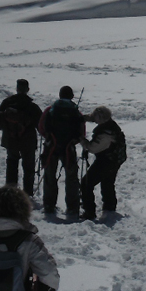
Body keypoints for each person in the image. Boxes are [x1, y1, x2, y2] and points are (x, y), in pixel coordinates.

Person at [0, 79, 43, 196]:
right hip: (28, 142)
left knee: (12, 164)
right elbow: (41, 126)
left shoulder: (7, 103)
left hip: (10, 139)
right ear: (28, 90)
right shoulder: (32, 106)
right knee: (28, 168)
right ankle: (27, 194)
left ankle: (11, 192)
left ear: (17, 88)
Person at [38, 86, 86, 217]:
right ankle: (72, 207)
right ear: (72, 96)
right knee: (71, 177)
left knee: (49, 175)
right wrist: (72, 142)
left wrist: (49, 138)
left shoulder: (51, 109)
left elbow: (41, 127)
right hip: (68, 148)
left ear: (59, 95)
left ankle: (49, 205)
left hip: (51, 147)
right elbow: (82, 132)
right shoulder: (75, 111)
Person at [79, 106, 126, 221]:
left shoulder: (106, 135)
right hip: (115, 160)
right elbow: (94, 118)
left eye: (95, 116)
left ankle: (89, 212)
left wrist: (81, 139)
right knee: (107, 183)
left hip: (106, 161)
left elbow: (92, 148)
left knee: (86, 183)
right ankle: (109, 208)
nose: (93, 118)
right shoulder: (110, 124)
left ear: (101, 118)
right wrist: (83, 118)